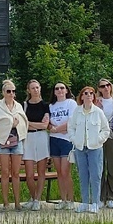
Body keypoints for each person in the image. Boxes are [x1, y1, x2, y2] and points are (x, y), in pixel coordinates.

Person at [67, 86, 110, 214]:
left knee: (96, 176)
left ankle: (95, 203)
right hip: (80, 149)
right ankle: (85, 203)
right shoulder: (77, 112)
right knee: (83, 176)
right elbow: (71, 128)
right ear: (81, 96)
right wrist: (75, 139)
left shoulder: (98, 112)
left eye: (91, 93)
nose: (89, 95)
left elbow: (106, 129)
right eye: (86, 93)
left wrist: (99, 140)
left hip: (95, 149)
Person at [0, 80, 28, 211]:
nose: (11, 94)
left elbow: (23, 121)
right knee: (5, 172)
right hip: (3, 141)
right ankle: (6, 203)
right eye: (8, 91)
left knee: (16, 173)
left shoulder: (19, 107)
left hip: (17, 141)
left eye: (13, 91)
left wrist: (16, 124)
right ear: (3, 92)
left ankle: (17, 203)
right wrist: (11, 123)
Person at [22, 80, 51, 210]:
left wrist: (29, 123)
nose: (36, 90)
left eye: (37, 87)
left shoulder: (45, 106)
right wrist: (30, 124)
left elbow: (45, 125)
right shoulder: (24, 106)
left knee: (41, 171)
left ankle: (38, 199)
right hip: (28, 137)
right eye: (33, 88)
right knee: (29, 173)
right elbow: (23, 124)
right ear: (29, 90)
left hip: (41, 137)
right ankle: (33, 197)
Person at [47, 82, 77, 210]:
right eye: (57, 88)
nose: (59, 90)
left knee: (66, 171)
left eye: (62, 88)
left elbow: (71, 121)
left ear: (66, 90)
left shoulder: (71, 103)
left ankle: (71, 200)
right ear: (54, 92)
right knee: (59, 172)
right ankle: (63, 199)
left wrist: (57, 129)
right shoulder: (50, 106)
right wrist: (53, 129)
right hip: (54, 140)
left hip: (67, 140)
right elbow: (46, 122)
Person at [97, 79, 113, 209]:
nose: (106, 88)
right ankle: (100, 197)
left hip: (112, 136)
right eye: (102, 86)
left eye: (108, 85)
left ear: (111, 87)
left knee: (112, 168)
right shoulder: (96, 102)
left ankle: (111, 197)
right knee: (100, 167)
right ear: (99, 88)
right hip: (99, 136)